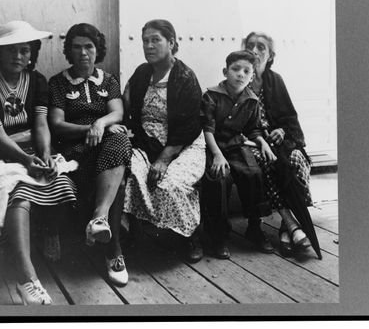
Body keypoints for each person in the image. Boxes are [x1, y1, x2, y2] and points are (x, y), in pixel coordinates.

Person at [0, 20, 77, 305]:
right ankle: (26, 280)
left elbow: (41, 124)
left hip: (32, 151)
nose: (19, 56)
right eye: (12, 50)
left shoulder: (37, 81)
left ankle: (50, 231)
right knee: (19, 193)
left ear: (32, 54)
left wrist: (44, 154)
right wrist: (26, 160)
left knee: (62, 179)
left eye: (25, 51)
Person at [48, 23, 132, 286]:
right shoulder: (59, 83)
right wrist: (88, 128)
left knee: (118, 142)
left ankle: (99, 217)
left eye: (89, 46)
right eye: (77, 47)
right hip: (74, 148)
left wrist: (100, 124)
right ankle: (114, 252)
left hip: (105, 143)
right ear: (69, 51)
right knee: (114, 175)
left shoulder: (108, 81)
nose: (83, 52)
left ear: (98, 50)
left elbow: (117, 113)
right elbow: (57, 124)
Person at [123, 19, 206, 263]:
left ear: (171, 43)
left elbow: (189, 127)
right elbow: (129, 105)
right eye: (145, 41)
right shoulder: (142, 73)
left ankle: (190, 235)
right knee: (134, 175)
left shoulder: (185, 77)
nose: (149, 46)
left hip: (183, 145)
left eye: (155, 40)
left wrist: (162, 160)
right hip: (147, 141)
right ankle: (138, 236)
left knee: (171, 184)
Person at [201, 50, 277, 259]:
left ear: (252, 76)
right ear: (226, 71)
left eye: (246, 71)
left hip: (236, 145)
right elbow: (207, 129)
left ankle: (254, 228)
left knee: (253, 172)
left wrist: (263, 143)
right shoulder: (211, 95)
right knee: (219, 178)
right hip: (213, 146)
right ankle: (218, 235)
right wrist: (216, 154)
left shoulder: (251, 100)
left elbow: (254, 129)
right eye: (235, 69)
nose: (240, 74)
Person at [244, 31, 313, 256]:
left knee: (297, 159)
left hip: (277, 142)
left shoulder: (275, 80)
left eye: (261, 47)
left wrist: (282, 130)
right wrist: (259, 138)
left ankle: (286, 228)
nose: (254, 51)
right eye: (251, 45)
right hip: (251, 143)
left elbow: (290, 118)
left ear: (270, 56)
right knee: (265, 161)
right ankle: (293, 225)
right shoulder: (239, 77)